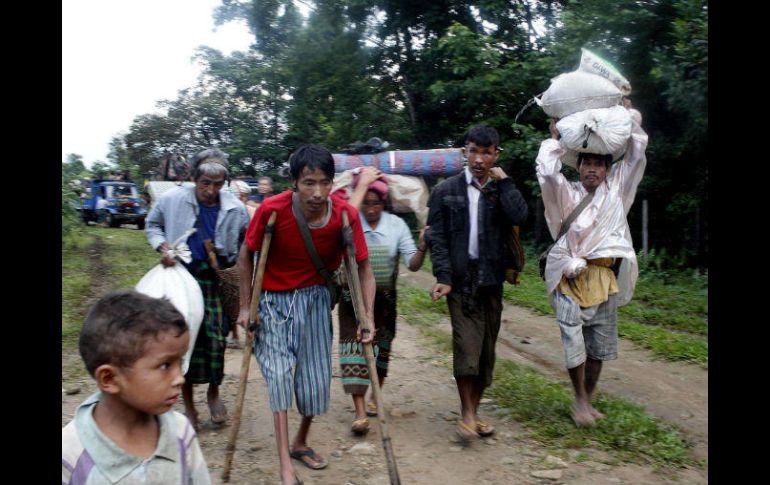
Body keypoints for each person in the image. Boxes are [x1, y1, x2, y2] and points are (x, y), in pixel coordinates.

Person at [236, 144, 376, 485]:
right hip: (272, 303)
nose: (317, 192)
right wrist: (243, 307)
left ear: (333, 182)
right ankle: (285, 463)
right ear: (293, 181)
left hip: (315, 302)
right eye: (308, 182)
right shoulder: (271, 209)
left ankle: (301, 441)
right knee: (281, 377)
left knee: (314, 383)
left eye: (324, 183)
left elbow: (362, 266)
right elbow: (246, 256)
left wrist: (366, 315)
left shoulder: (344, 214)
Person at [536, 108, 647, 427]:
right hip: (568, 278)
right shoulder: (565, 193)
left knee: (598, 347)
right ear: (579, 165)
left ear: (607, 170)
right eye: (587, 163)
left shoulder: (617, 193)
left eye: (599, 164)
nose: (593, 169)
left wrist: (630, 117)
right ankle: (580, 400)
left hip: (603, 279)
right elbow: (546, 172)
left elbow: (636, 155)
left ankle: (588, 398)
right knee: (573, 341)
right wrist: (555, 139)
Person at [426, 124, 528, 441]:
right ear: (464, 153)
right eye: (474, 151)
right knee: (466, 345)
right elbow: (438, 239)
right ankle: (467, 413)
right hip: (460, 280)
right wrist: (443, 277)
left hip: (491, 279)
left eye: (487, 152)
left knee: (486, 351)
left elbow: (520, 216)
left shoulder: (501, 190)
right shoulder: (445, 191)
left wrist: (507, 181)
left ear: (496, 154)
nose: (479, 159)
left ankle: (475, 409)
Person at [146, 148, 250, 430]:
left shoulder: (235, 208)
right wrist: (162, 246)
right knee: (185, 340)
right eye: (205, 183)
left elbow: (246, 240)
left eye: (217, 184)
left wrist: (238, 264)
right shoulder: (171, 200)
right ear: (194, 178)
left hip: (215, 279)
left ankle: (214, 393)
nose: (211, 190)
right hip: (182, 277)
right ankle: (189, 405)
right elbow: (153, 225)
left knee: (216, 340)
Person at [62, 290, 211, 484]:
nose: (179, 378)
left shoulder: (180, 432)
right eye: (165, 365)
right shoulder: (71, 454)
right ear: (109, 379)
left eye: (179, 362)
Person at [337, 166, 428, 435]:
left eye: (376, 203)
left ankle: (376, 394)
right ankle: (360, 411)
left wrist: (423, 246)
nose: (371, 208)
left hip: (385, 298)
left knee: (381, 350)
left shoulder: (396, 226)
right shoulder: (350, 221)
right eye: (366, 202)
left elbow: (411, 264)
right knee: (352, 348)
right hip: (352, 296)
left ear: (384, 203)